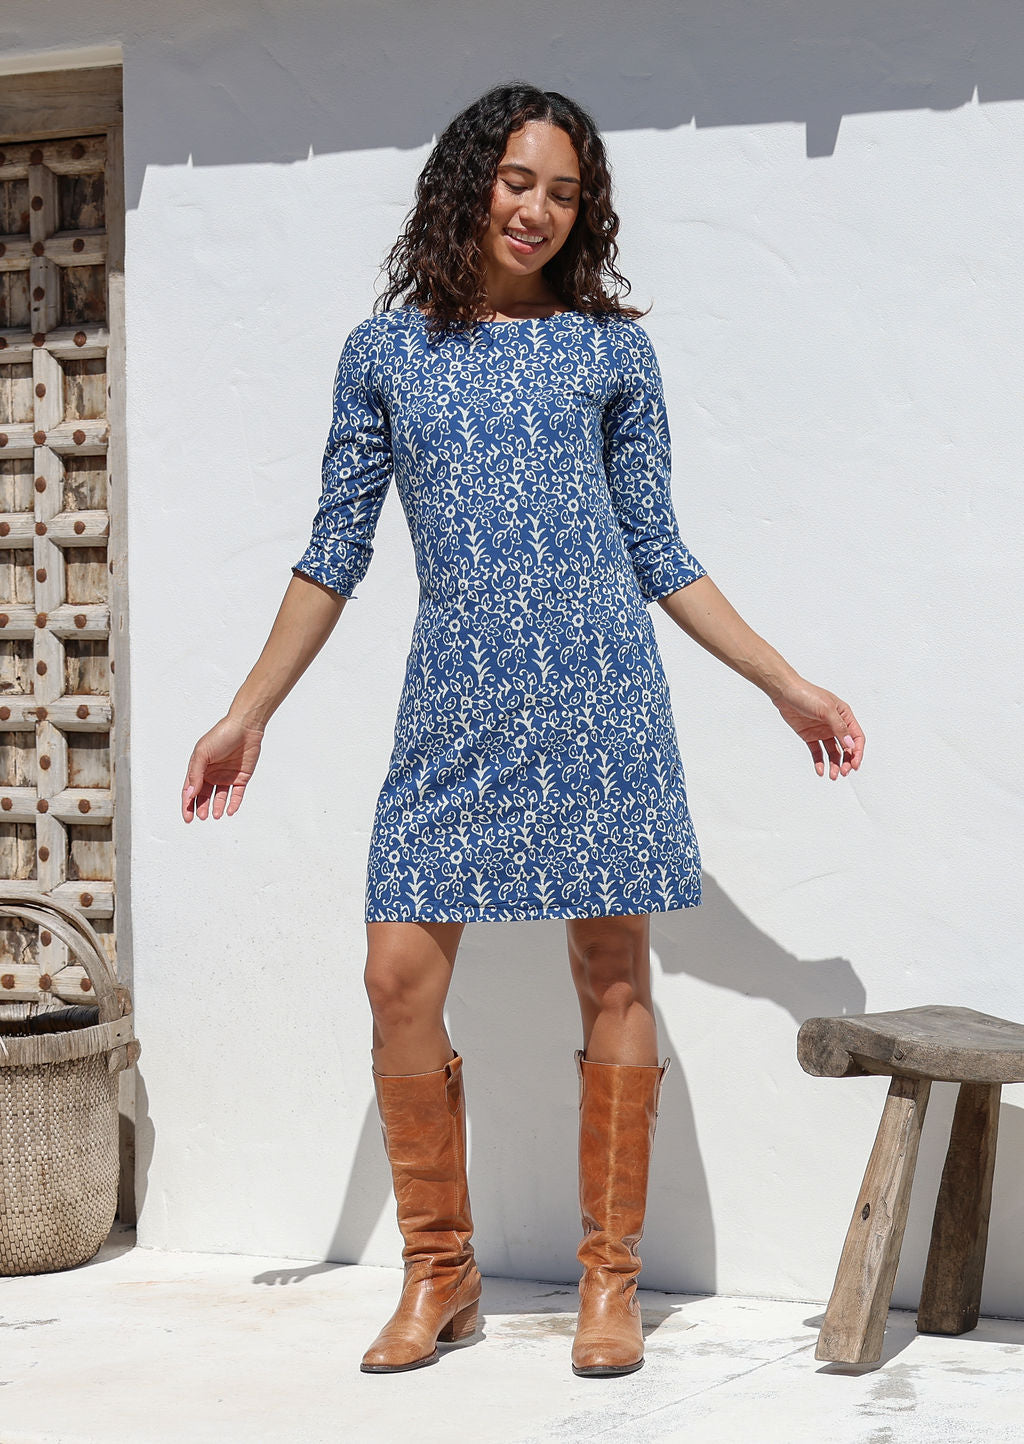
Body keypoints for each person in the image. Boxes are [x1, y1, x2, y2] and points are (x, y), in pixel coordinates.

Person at [181, 81, 864, 1379]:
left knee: (613, 974)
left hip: (603, 696)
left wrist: (786, 683)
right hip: (456, 709)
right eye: (516, 181)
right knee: (396, 979)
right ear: (467, 185)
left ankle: (611, 1278)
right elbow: (335, 554)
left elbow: (658, 549)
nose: (537, 209)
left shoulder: (612, 355)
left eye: (563, 190)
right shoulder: (385, 353)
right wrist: (246, 711)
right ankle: (440, 1273)